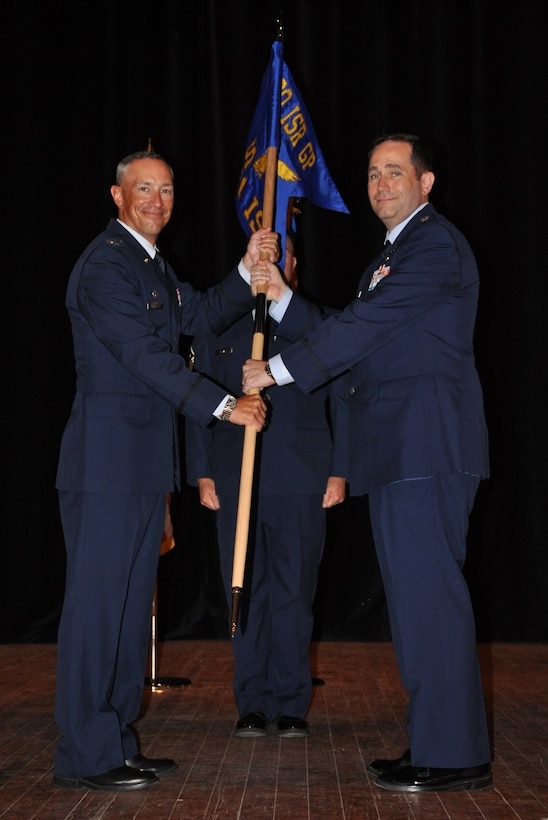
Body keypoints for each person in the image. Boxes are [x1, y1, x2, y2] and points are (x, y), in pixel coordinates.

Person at [242, 134, 492, 792]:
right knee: (415, 604)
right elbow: (355, 327)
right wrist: (286, 300)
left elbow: (362, 329)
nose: (381, 184)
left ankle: (453, 753)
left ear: (426, 182)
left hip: (426, 445)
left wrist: (274, 369)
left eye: (395, 172)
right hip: (399, 449)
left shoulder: (433, 244)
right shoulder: (393, 254)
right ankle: (437, 741)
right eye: (374, 173)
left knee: (430, 601)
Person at [53, 149, 285, 792]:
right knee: (98, 610)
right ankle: (84, 752)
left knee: (129, 612)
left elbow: (198, 321)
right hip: (104, 466)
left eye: (167, 189)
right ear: (117, 196)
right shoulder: (105, 266)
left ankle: (115, 740)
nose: (157, 200)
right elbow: (141, 357)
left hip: (140, 466)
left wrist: (246, 270)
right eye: (143, 188)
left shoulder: (149, 265)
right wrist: (222, 404)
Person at [185, 229, 349, 739]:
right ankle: (252, 701)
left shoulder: (315, 324)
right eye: (259, 257)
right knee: (244, 590)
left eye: (279, 258)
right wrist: (203, 471)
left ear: (293, 267)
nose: (268, 266)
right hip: (237, 476)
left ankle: (291, 701)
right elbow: (197, 400)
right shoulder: (223, 323)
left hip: (302, 478)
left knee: (294, 594)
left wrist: (340, 469)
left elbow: (343, 396)